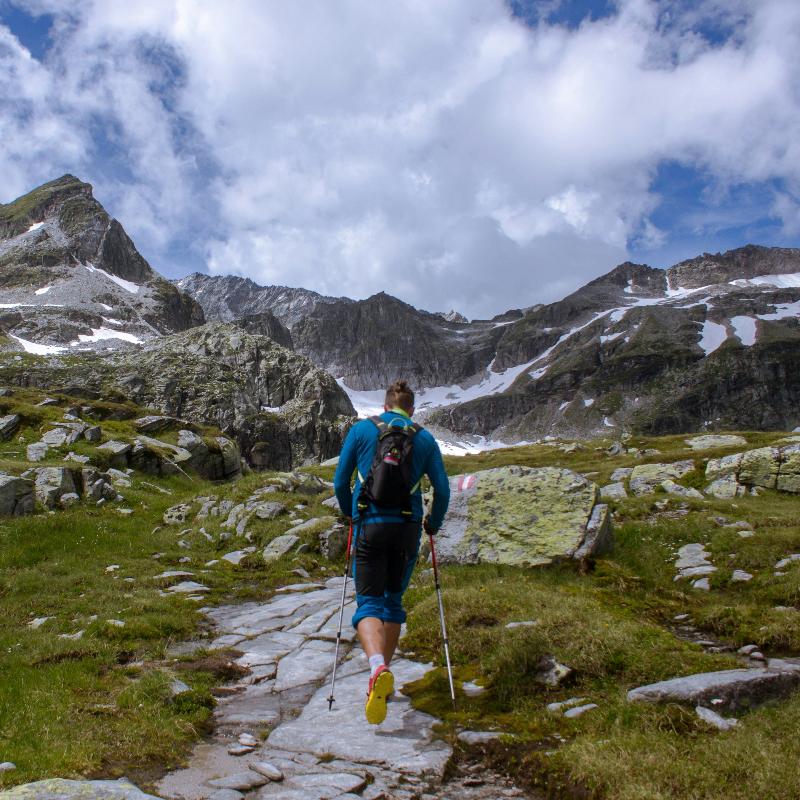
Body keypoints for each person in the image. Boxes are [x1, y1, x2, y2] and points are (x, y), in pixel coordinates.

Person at [334, 379, 450, 724]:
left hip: (369, 524)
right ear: (411, 410)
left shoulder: (361, 431)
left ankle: (376, 668)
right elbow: (442, 490)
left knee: (368, 602)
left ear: (384, 407)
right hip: (407, 528)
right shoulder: (425, 438)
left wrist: (350, 511)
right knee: (392, 602)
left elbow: (341, 481)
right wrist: (433, 523)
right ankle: (382, 680)